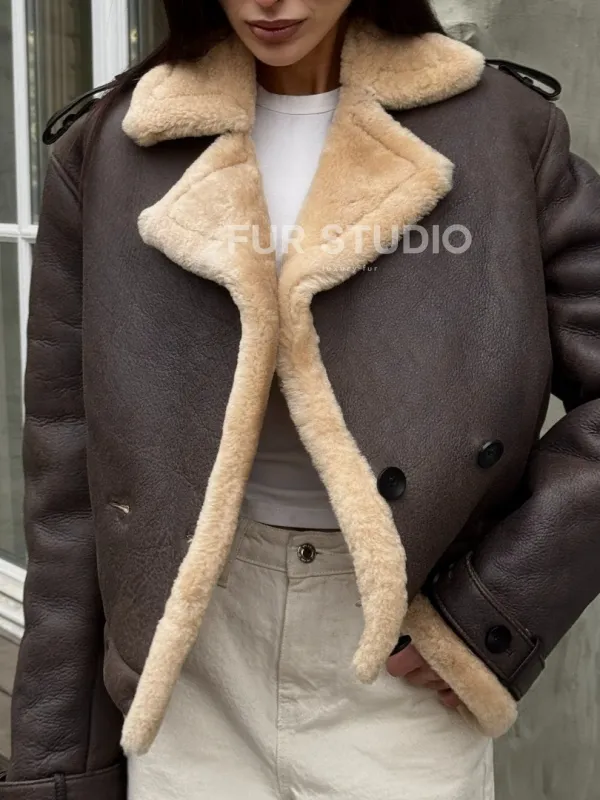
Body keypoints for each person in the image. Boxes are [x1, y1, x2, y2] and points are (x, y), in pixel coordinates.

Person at [2, 0, 600, 798]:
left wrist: (492, 610)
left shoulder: (502, 131)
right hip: (189, 656)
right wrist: (56, 760)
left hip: (400, 652)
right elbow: (68, 470)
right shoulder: (115, 146)